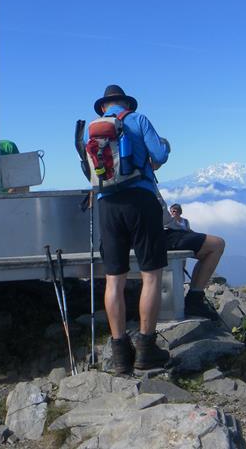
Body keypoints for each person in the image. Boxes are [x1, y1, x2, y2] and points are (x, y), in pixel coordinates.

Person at [91, 84, 171, 375]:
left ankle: (120, 353)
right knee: (151, 275)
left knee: (114, 280)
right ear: (126, 103)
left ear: (103, 107)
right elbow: (159, 155)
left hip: (107, 205)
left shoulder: (92, 129)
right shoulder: (138, 120)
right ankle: (146, 349)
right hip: (140, 200)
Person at [165, 202, 225, 320]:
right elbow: (163, 218)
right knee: (217, 244)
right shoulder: (143, 185)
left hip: (130, 237)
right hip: (157, 235)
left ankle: (192, 297)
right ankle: (194, 299)